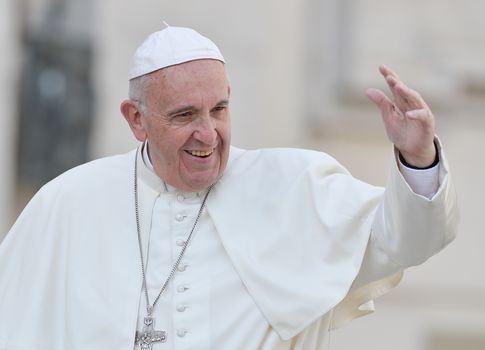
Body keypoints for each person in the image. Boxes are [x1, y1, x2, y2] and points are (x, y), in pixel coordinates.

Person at [0, 25, 458, 350]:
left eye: (218, 109)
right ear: (136, 119)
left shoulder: (294, 188)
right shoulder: (67, 204)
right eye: (184, 115)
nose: (208, 133)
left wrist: (419, 158)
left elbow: (408, 240)